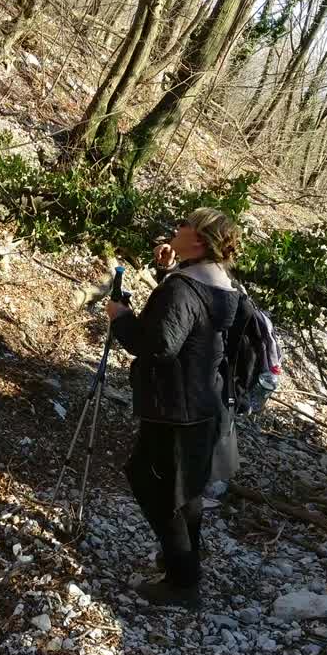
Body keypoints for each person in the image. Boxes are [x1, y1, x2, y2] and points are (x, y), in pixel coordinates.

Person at [105, 207, 243, 610]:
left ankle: (183, 583)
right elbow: (189, 322)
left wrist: (121, 319)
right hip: (201, 402)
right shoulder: (219, 283)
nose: (176, 228)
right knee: (184, 489)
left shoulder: (184, 287)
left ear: (198, 239)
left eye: (184, 225)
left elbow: (160, 345)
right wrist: (166, 271)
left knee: (154, 487)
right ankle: (181, 561)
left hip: (173, 406)